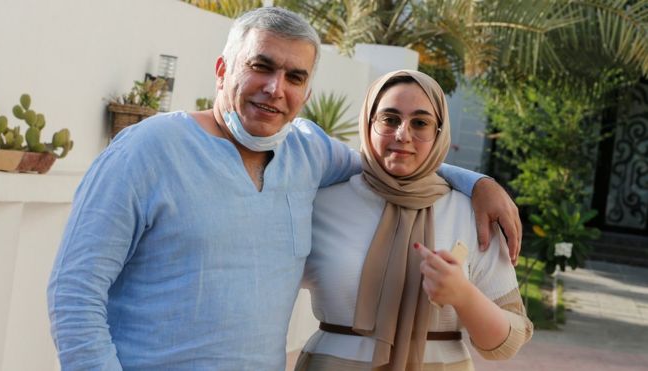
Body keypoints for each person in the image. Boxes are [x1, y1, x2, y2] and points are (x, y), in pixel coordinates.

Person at [47, 7, 521, 370]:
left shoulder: (308, 153)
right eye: (261, 66)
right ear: (222, 70)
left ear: (307, 93)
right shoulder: (147, 150)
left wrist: (475, 182)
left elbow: (391, 166)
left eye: (295, 76)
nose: (276, 88)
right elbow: (75, 290)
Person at [296, 70, 533, 370]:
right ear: (368, 123)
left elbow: (506, 345)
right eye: (389, 119)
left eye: (420, 123)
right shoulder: (321, 204)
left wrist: (463, 295)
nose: (402, 134)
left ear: (439, 132)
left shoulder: (474, 213)